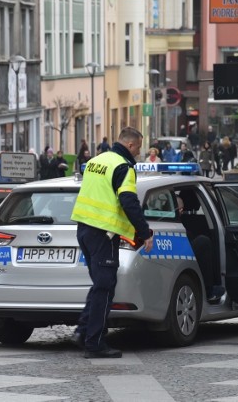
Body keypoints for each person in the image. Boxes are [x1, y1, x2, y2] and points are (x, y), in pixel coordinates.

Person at [70, 127, 153, 358]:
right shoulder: (123, 167)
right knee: (105, 287)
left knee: (99, 284)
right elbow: (129, 201)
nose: (138, 153)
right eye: (137, 148)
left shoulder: (97, 160)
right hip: (103, 233)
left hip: (84, 229)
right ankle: (94, 343)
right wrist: (145, 232)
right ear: (130, 145)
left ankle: (84, 330)